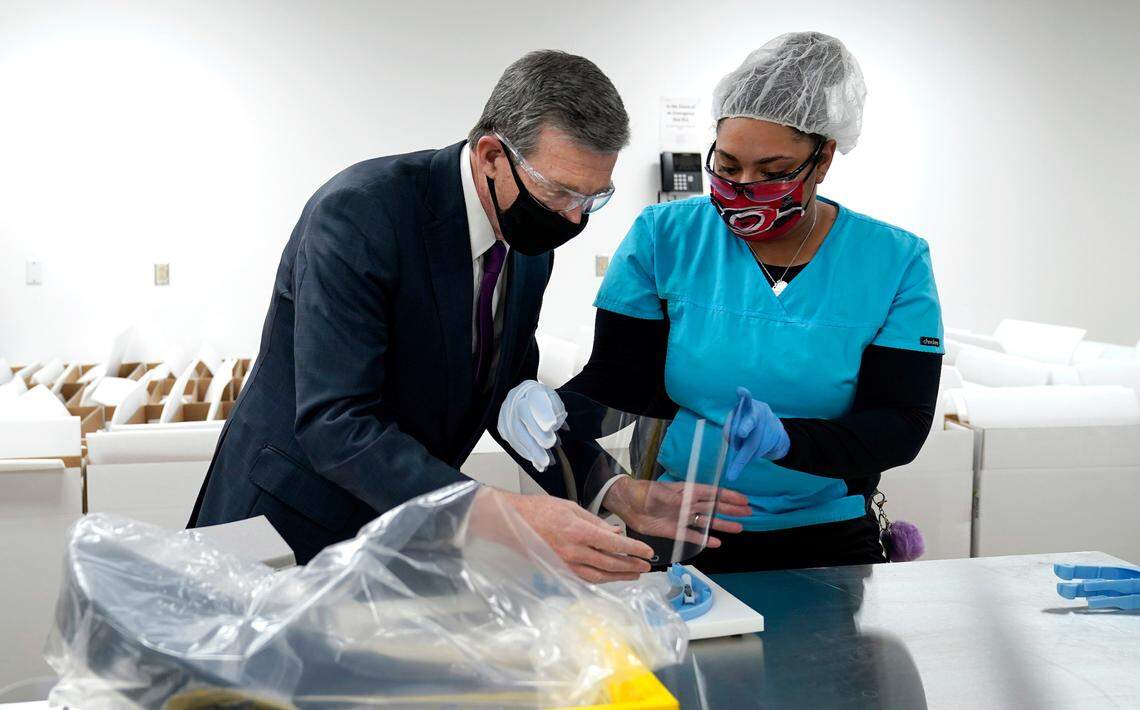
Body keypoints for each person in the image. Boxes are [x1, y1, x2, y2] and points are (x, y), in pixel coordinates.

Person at [190, 50, 658, 582]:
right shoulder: (361, 213)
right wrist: (506, 515)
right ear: (490, 156)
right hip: (290, 524)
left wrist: (611, 486)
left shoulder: (530, 239)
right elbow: (337, 424)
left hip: (402, 529)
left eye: (593, 199)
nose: (574, 218)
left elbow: (509, 398)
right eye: (560, 192)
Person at [498, 32, 944, 573]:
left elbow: (900, 425)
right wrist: (557, 411)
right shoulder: (666, 238)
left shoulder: (893, 261)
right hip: (680, 523)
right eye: (728, 166)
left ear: (823, 159)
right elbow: (624, 383)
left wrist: (788, 441)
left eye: (774, 172)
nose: (743, 186)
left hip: (825, 532)